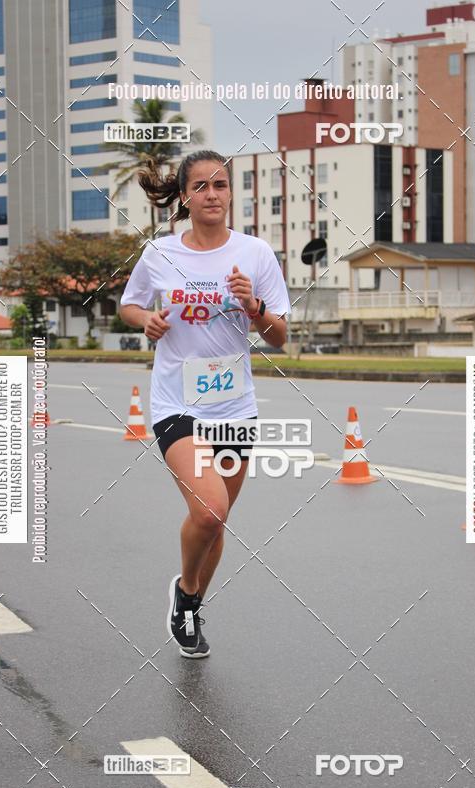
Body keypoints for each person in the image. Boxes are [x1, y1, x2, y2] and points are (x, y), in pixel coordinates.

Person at [119, 150, 291, 658]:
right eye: (201, 186)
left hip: (236, 408)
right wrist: (143, 322)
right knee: (210, 509)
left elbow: (279, 336)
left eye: (220, 184)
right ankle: (186, 593)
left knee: (215, 524)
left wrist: (253, 305)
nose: (212, 194)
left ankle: (189, 602)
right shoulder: (160, 253)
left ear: (230, 193)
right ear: (185, 196)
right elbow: (130, 304)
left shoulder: (256, 254)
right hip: (178, 403)